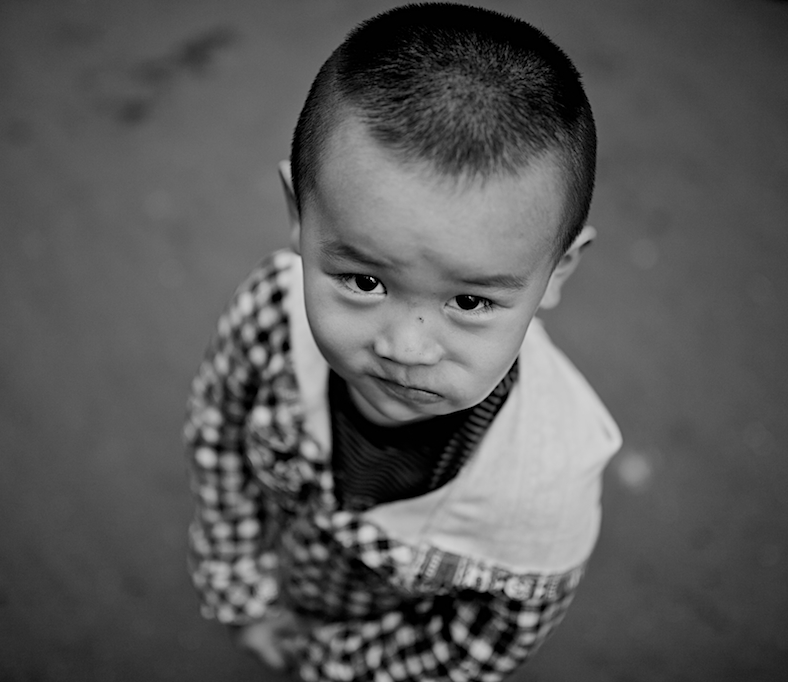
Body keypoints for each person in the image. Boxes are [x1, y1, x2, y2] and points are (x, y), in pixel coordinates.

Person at [184, 4, 622, 680]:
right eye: (363, 281)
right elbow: (219, 439)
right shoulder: (272, 314)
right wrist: (244, 592)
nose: (407, 348)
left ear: (558, 271)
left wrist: (326, 663)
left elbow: (468, 650)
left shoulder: (542, 498)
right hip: (286, 587)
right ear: (299, 216)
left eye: (471, 302)